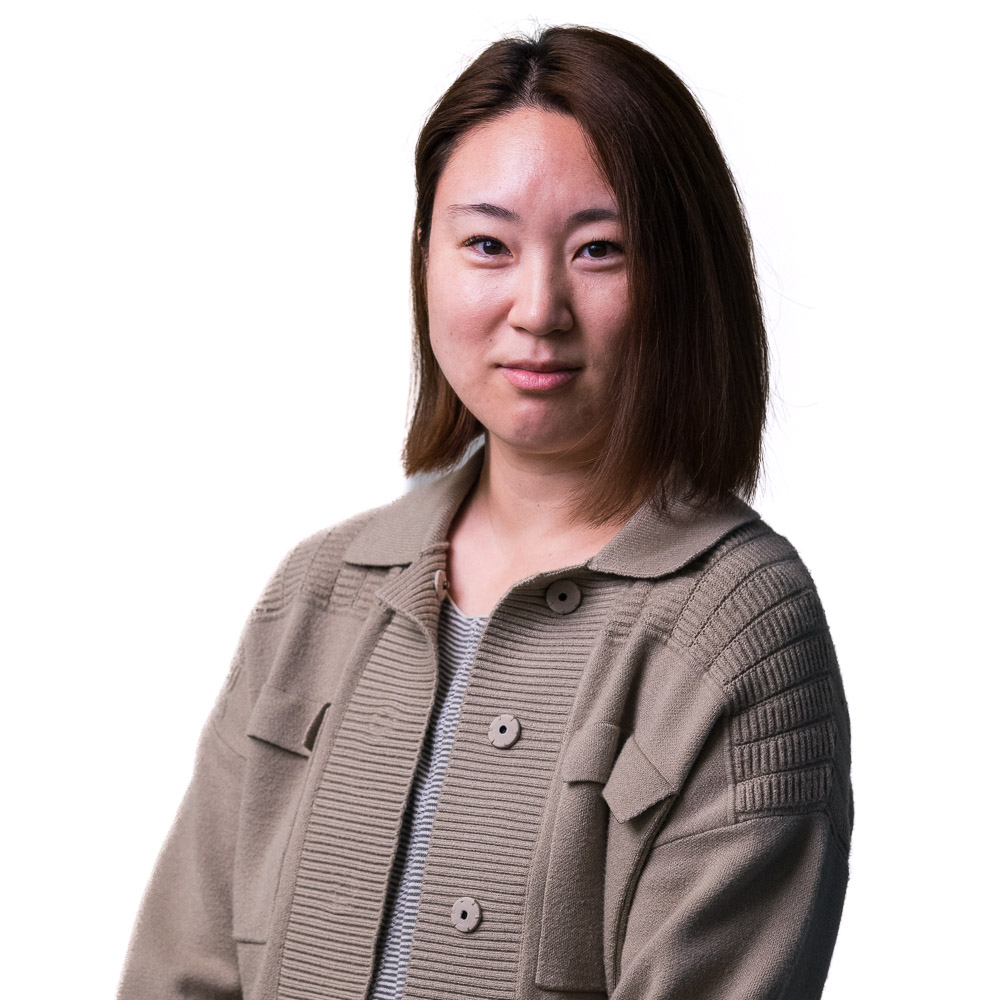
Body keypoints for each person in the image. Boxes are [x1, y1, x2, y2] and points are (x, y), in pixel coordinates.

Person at [118, 24, 853, 1000]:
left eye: (600, 249)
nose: (537, 305)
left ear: (682, 274)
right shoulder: (316, 597)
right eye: (487, 245)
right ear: (425, 258)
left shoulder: (741, 630)